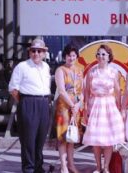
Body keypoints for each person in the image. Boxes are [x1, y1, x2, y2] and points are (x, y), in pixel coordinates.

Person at [8, 38, 51, 173]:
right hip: (28, 103)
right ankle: (28, 169)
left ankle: (38, 168)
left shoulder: (46, 67)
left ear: (44, 53)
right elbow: (13, 89)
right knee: (28, 141)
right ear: (29, 52)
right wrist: (25, 102)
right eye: (33, 50)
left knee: (40, 139)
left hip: (44, 104)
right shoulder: (22, 66)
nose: (36, 53)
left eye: (39, 51)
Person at [82, 44, 125, 173]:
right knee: (95, 139)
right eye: (99, 54)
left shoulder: (114, 72)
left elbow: (117, 91)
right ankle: (98, 167)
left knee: (108, 139)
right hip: (95, 105)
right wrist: (85, 108)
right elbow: (87, 91)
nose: (101, 56)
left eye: (103, 54)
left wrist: (120, 108)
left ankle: (106, 167)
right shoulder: (92, 72)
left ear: (108, 57)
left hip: (109, 105)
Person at [54, 44, 83, 173]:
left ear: (76, 57)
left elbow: (81, 91)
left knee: (72, 137)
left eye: (73, 55)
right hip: (64, 107)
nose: (71, 58)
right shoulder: (60, 70)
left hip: (75, 109)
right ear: (65, 57)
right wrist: (72, 105)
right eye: (68, 56)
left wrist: (78, 104)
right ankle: (64, 166)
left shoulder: (79, 70)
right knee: (63, 137)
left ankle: (71, 164)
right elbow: (61, 90)